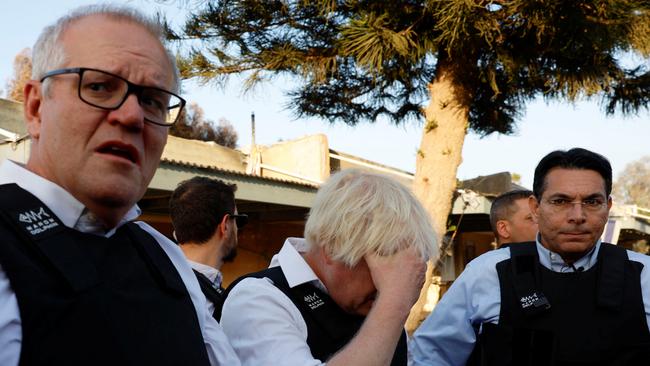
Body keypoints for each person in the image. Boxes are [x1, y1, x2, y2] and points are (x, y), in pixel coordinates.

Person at [0, 5, 239, 365]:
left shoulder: (166, 258)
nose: (131, 116)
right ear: (35, 108)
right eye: (98, 86)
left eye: (152, 101)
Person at [410, 148, 650, 366]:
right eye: (560, 201)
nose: (577, 215)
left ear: (608, 207)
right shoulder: (489, 272)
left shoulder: (643, 276)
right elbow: (431, 356)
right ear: (536, 207)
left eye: (592, 201)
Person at [220, 169, 438, 366]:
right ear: (332, 246)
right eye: (384, 265)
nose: (391, 282)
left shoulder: (379, 312)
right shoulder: (256, 299)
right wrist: (393, 303)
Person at [169, 176, 248, 320]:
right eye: (238, 220)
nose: (237, 229)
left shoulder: (156, 279)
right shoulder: (211, 305)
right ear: (225, 225)